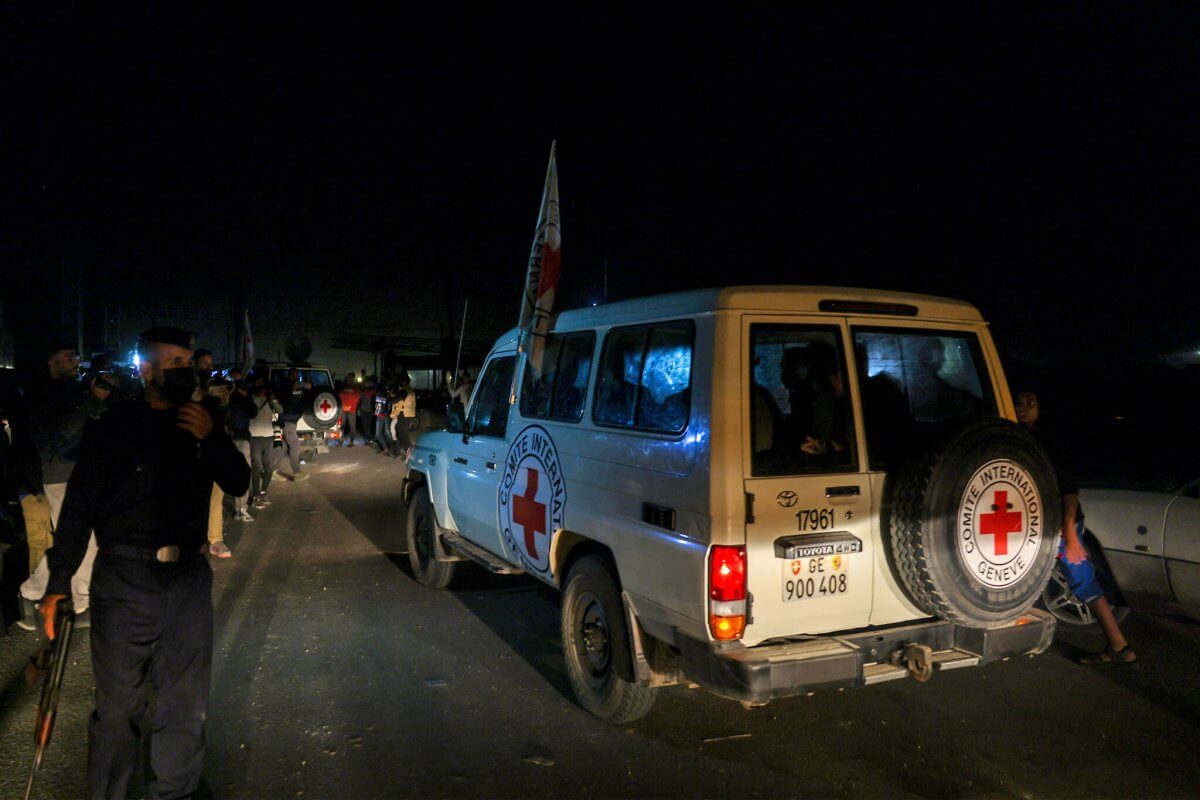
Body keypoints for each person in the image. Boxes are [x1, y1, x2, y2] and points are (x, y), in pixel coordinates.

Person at [39, 326, 250, 799]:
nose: (182, 369)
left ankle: (174, 790)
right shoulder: (113, 426)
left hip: (188, 581)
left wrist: (212, 437)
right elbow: (78, 508)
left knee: (184, 702)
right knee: (117, 708)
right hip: (123, 581)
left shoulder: (202, 420)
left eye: (186, 361)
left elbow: (238, 482)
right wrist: (59, 580)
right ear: (146, 369)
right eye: (171, 362)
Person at [1016, 389, 1136, 665]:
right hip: (1040, 524)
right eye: (1020, 403)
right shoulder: (1024, 437)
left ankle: (1120, 647)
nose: (1023, 409)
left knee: (1083, 582)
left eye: (1031, 403)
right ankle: (1119, 647)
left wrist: (1069, 534)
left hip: (1060, 526)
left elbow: (1069, 490)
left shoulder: (1053, 441)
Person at [14, 342, 109, 631]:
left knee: (73, 540)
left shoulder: (72, 390)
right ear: (51, 361)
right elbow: (58, 438)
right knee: (84, 540)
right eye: (69, 357)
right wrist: (92, 400)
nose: (75, 362)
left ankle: (30, 592)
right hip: (60, 475)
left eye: (76, 357)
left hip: (82, 473)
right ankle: (80, 601)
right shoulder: (40, 394)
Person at [196, 349, 234, 557]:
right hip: (190, 450)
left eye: (210, 363)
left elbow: (220, 418)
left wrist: (223, 401)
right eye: (203, 363)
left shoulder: (213, 386)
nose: (208, 367)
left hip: (212, 450)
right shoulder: (187, 387)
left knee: (216, 494)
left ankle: (215, 539)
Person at [225, 374, 258, 523]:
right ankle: (240, 510)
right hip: (231, 438)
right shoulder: (227, 396)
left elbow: (252, 412)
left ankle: (240, 509)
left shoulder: (240, 397)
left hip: (238, 438)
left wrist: (244, 396)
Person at [247, 373, 282, 509]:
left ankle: (263, 492)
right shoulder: (250, 399)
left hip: (268, 436)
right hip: (254, 436)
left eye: (262, 383)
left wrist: (272, 399)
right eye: (258, 383)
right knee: (256, 467)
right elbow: (250, 413)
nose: (260, 386)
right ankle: (255, 496)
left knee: (269, 467)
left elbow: (280, 410)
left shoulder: (270, 399)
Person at [277, 368, 310, 480]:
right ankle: (297, 472)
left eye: (297, 375)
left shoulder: (298, 386)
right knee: (295, 446)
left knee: (284, 447)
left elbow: (308, 386)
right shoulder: (284, 385)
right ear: (290, 375)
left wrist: (299, 385)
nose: (296, 376)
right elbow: (283, 399)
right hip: (287, 419)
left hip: (292, 419)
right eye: (294, 374)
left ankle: (271, 470)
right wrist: (293, 387)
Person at [390, 379, 419, 458]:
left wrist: (390, 398)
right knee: (402, 434)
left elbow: (393, 401)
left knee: (403, 435)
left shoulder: (403, 392)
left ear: (400, 386)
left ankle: (409, 453)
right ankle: (399, 452)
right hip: (410, 415)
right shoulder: (411, 393)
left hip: (403, 415)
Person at [337, 372, 361, 447]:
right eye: (348, 377)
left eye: (350, 377)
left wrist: (354, 404)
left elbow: (358, 397)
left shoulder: (356, 386)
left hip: (352, 409)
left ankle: (351, 442)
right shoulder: (342, 385)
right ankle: (341, 440)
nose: (349, 378)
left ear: (353, 378)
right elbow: (339, 394)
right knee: (341, 425)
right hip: (343, 408)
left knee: (352, 426)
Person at [373, 383, 394, 456]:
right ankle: (390, 448)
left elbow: (378, 406)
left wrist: (376, 413)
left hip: (381, 416)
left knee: (379, 433)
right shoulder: (387, 396)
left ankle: (386, 449)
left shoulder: (379, 395)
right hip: (386, 415)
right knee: (386, 432)